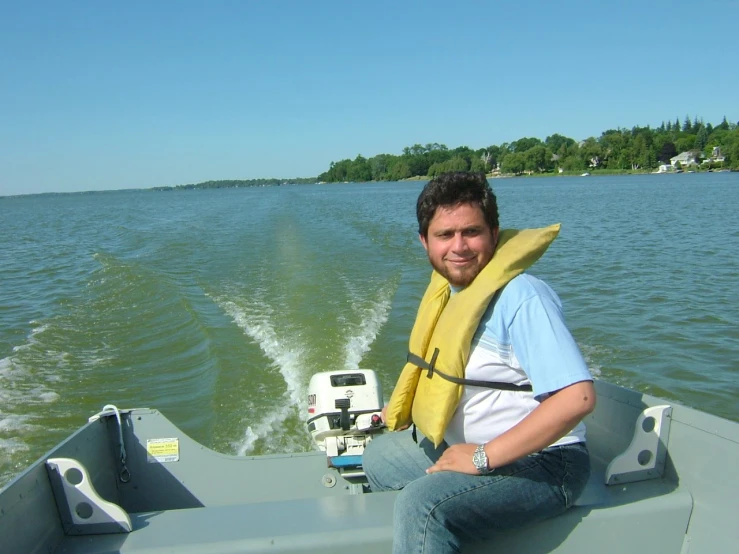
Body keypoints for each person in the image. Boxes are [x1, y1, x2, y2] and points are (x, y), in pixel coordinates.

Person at [362, 171, 595, 553]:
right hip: (467, 447)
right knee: (379, 458)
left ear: (494, 233)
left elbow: (578, 399)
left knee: (422, 507)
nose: (460, 247)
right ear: (424, 241)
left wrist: (483, 458)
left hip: (547, 464)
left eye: (471, 232)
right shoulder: (452, 292)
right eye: (444, 235)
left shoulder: (522, 297)